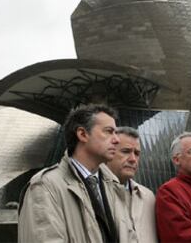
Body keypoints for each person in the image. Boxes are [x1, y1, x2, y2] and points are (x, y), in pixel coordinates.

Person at [18, 104, 132, 242]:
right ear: (82, 134)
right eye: (108, 131)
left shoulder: (113, 186)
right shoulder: (45, 187)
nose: (117, 139)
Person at [103, 126, 157, 243]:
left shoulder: (149, 197)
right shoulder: (95, 193)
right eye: (126, 151)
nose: (133, 159)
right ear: (109, 152)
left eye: (137, 153)